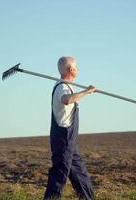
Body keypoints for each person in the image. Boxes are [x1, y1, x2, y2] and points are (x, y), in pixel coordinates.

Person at [44, 57, 96, 200]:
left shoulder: (66, 86)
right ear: (71, 70)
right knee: (59, 177)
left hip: (70, 142)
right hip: (63, 140)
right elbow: (67, 100)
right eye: (76, 67)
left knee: (81, 176)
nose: (78, 69)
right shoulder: (62, 87)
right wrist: (86, 91)